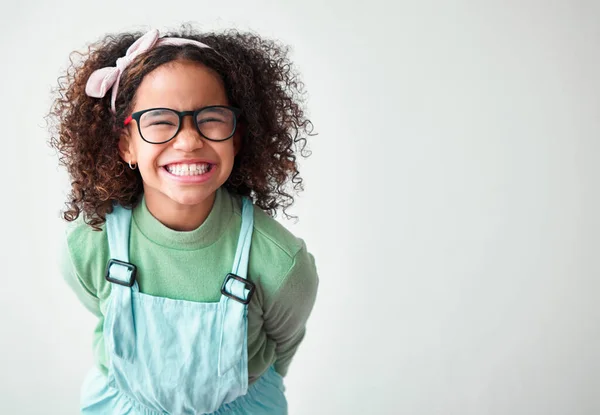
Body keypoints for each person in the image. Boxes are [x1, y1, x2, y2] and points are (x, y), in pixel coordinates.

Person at [47, 26, 319, 414]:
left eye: (211, 118)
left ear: (237, 138)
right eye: (159, 120)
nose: (189, 141)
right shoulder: (89, 245)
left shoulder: (280, 262)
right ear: (127, 145)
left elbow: (283, 348)